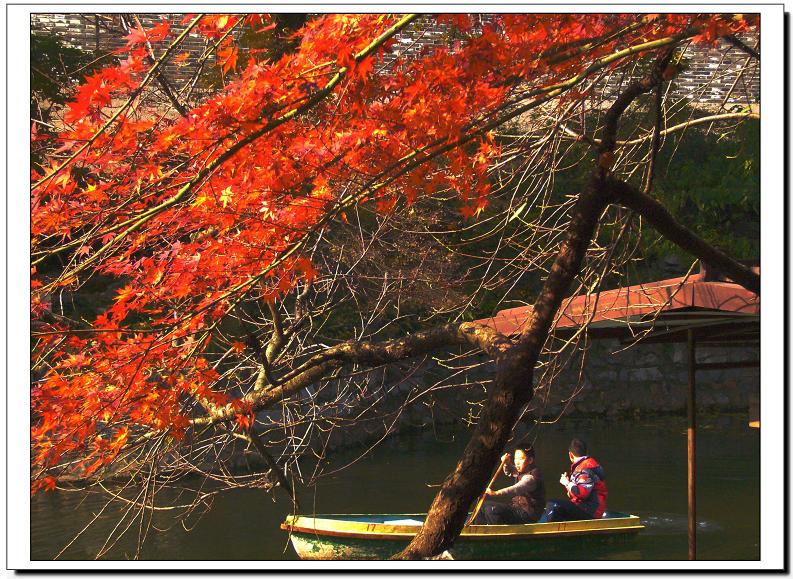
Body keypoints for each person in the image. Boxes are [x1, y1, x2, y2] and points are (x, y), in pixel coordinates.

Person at [473, 445, 546, 524]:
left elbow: (516, 489)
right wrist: (506, 462)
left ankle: (497, 534)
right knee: (482, 506)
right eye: (515, 458)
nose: (517, 462)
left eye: (521, 459)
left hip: (527, 516)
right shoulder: (522, 471)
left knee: (491, 510)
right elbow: (510, 471)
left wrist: (496, 493)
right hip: (516, 510)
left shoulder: (531, 478)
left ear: (530, 460)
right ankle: (475, 530)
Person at [540, 437, 608, 522]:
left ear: (570, 455)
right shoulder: (587, 465)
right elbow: (575, 494)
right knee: (558, 508)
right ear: (586, 452)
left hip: (591, 510)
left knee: (552, 505)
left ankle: (555, 533)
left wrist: (567, 483)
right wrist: (568, 484)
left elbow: (582, 493)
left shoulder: (584, 468)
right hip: (588, 508)